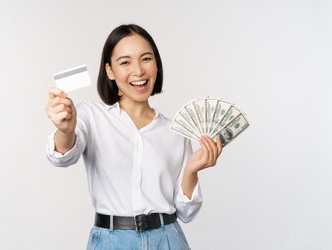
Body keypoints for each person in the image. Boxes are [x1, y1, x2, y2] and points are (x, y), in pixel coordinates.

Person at [45, 24, 223, 250]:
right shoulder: (92, 116)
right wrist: (65, 131)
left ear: (156, 65)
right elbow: (62, 157)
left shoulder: (175, 131)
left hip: (168, 240)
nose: (138, 71)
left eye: (146, 59)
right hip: (112, 242)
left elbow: (187, 213)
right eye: (125, 62)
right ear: (110, 70)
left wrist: (191, 170)